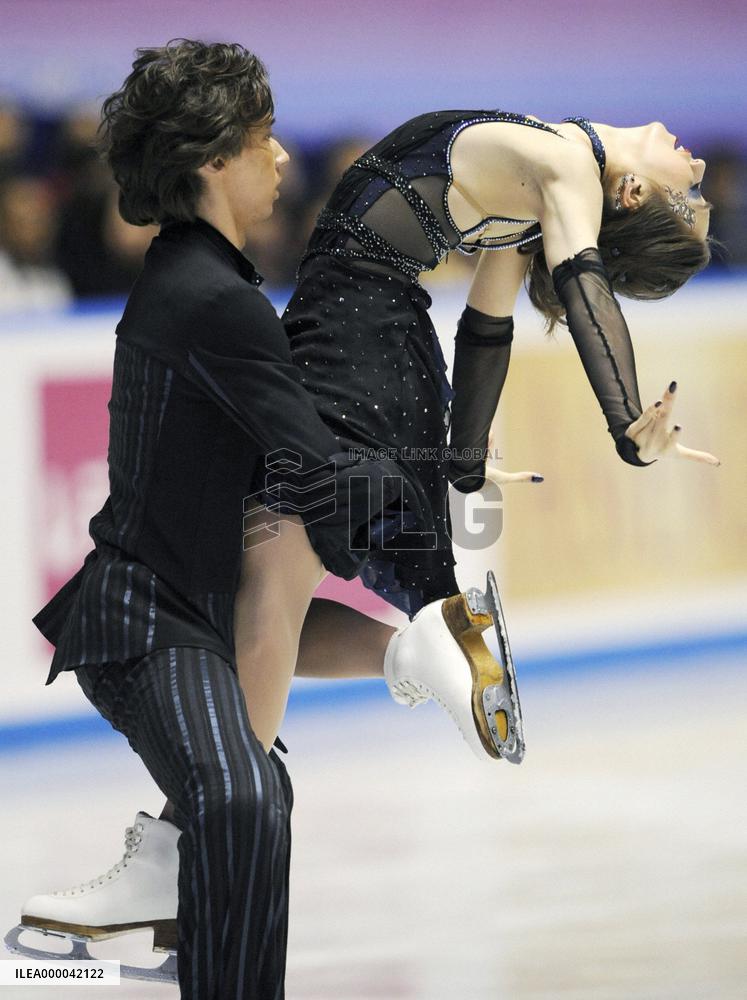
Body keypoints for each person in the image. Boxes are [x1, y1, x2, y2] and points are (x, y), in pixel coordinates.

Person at [13, 88, 721, 987]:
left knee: (268, 579)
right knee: (266, 585)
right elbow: (484, 330)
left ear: (624, 198)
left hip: (348, 339)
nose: (692, 162)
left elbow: (578, 287)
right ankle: (417, 654)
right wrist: (461, 461)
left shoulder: (567, 169)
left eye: (684, 189)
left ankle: (181, 853)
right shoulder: (543, 183)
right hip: (389, 351)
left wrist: (627, 425)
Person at [9, 42, 510, 999]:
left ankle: (127, 918)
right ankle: (133, 912)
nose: (281, 159)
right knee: (240, 796)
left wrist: (422, 584)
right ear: (211, 162)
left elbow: (300, 480)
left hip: (187, 609)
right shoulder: (209, 299)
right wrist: (436, 583)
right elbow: (318, 471)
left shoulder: (206, 283)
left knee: (254, 796)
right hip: (146, 625)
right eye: (263, 138)